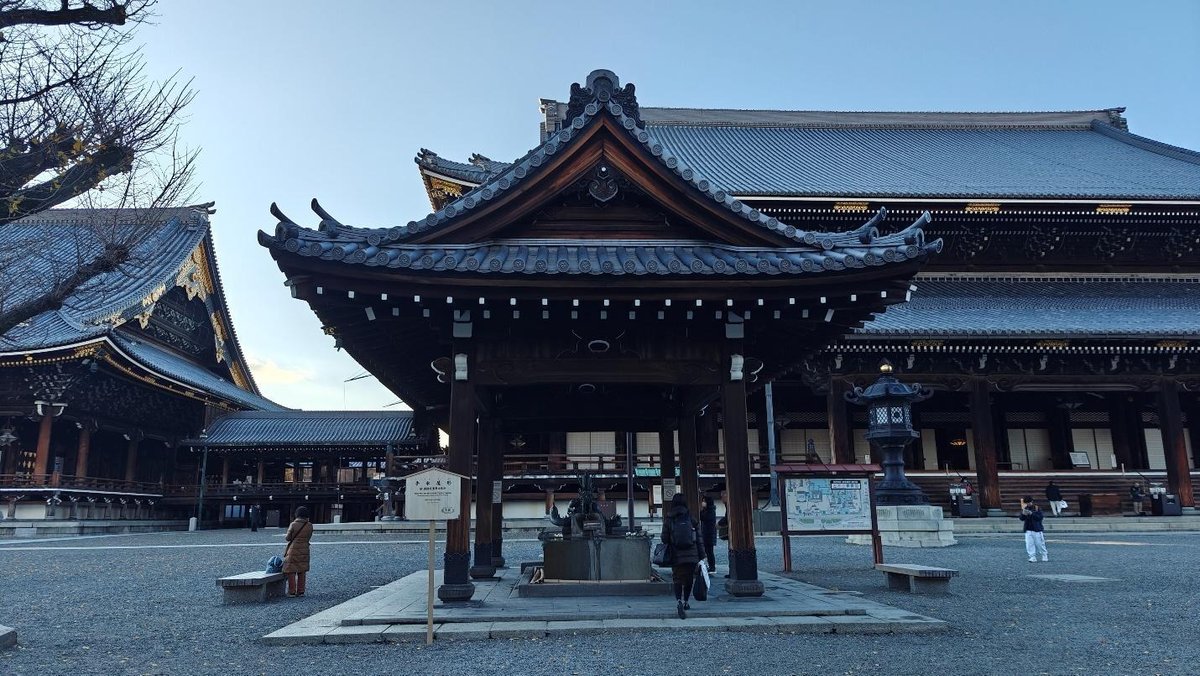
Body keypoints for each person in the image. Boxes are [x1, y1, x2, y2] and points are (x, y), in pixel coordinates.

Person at [661, 493, 704, 619]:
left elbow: (664, 539)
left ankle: (678, 600)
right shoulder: (691, 518)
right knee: (689, 578)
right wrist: (702, 555)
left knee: (677, 578)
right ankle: (686, 602)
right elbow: (699, 539)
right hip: (692, 554)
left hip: (676, 553)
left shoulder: (669, 519)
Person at [283, 506, 314, 597]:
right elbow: (309, 537)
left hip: (293, 550)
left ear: (297, 514)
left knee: (291, 570)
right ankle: (301, 591)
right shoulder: (309, 525)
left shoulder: (293, 524)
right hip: (305, 549)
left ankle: (292, 591)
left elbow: (288, 538)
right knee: (302, 570)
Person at [1019, 496, 1048, 563]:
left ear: (1031, 502)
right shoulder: (1024, 508)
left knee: (1040, 543)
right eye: (1026, 503)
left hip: (1037, 529)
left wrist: (1031, 513)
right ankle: (1032, 556)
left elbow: (1040, 517)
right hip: (1028, 529)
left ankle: (1044, 555)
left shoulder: (1037, 508)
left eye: (1029, 502)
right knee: (1029, 544)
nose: (1028, 504)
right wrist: (1023, 514)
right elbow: (1021, 518)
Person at [699, 494, 718, 574]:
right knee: (708, 551)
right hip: (706, 533)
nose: (703, 503)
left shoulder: (710, 511)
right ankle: (710, 566)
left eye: (704, 501)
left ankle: (712, 567)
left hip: (709, 534)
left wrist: (702, 510)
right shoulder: (708, 510)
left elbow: (703, 518)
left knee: (709, 551)